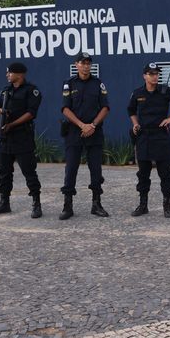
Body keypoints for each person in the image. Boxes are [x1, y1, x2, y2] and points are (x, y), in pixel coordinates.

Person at [127, 62, 170, 218]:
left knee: (164, 173)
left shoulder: (165, 91)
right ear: (144, 76)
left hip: (160, 136)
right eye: (151, 74)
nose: (155, 76)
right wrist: (135, 124)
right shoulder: (137, 93)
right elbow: (130, 110)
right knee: (143, 173)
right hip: (143, 136)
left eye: (157, 74)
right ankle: (143, 205)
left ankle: (166, 205)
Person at [0, 62, 43, 218]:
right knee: (4, 171)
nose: (7, 75)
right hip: (5, 137)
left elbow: (31, 113)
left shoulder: (31, 91)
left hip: (22, 137)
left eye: (10, 73)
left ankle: (36, 204)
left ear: (20, 74)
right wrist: (2, 111)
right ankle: (4, 203)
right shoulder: (6, 91)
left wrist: (12, 124)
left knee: (29, 171)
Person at [59, 52, 111, 220]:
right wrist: (82, 125)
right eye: (83, 62)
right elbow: (65, 109)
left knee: (96, 169)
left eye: (89, 63)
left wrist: (92, 125)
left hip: (94, 132)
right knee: (71, 169)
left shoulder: (99, 84)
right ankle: (67, 206)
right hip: (75, 132)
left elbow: (105, 108)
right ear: (76, 65)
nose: (86, 65)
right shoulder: (68, 84)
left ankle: (96, 204)